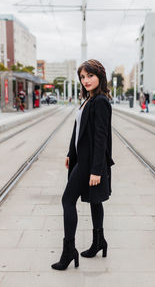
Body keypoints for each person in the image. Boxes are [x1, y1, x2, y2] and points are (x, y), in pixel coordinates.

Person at [51, 59, 115, 271]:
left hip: (90, 163)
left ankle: (69, 251)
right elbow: (78, 129)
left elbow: (100, 138)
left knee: (67, 200)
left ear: (100, 76)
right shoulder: (88, 100)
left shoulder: (101, 102)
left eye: (90, 75)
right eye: (83, 77)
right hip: (81, 158)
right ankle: (99, 241)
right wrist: (71, 152)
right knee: (95, 201)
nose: (86, 80)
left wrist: (97, 169)